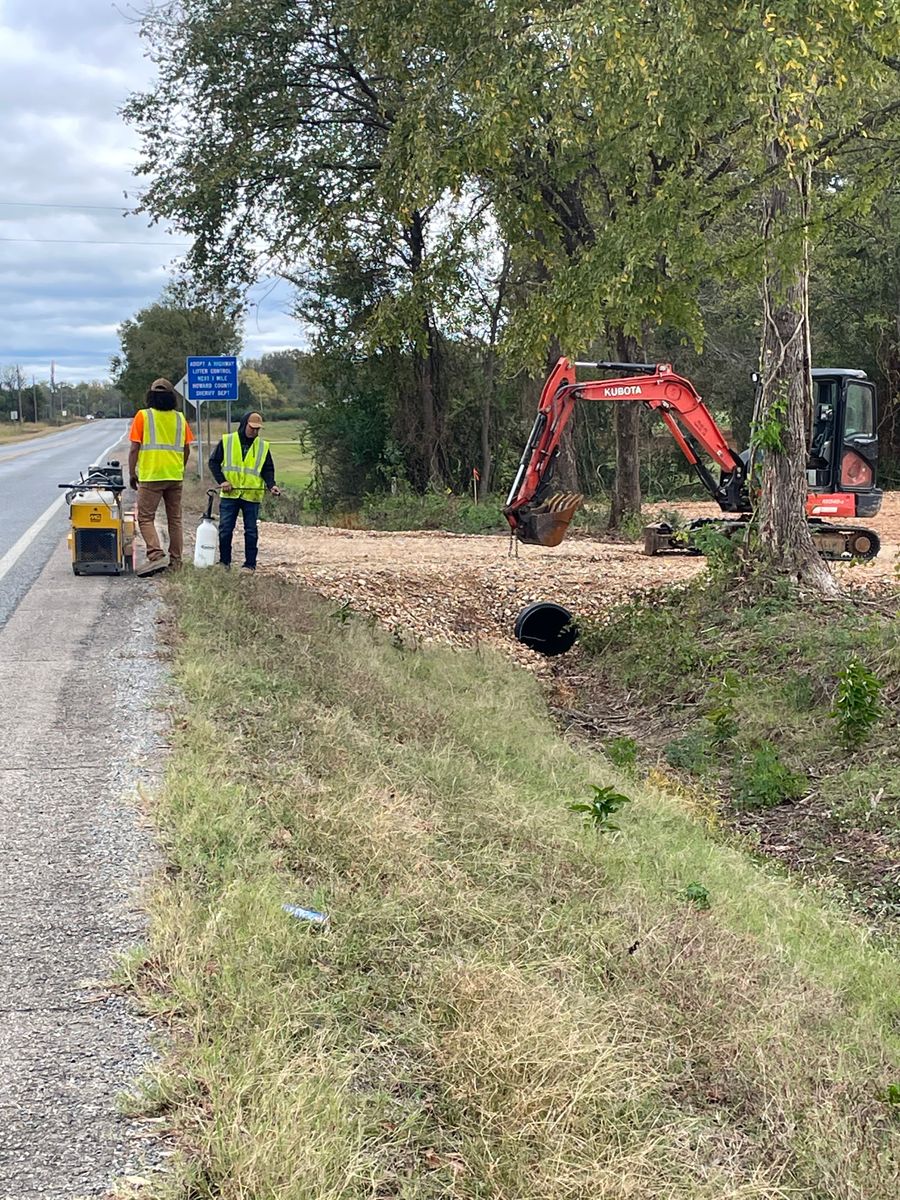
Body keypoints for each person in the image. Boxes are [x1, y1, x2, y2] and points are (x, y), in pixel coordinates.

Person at [128, 378, 194, 576]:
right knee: (175, 519)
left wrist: (132, 473)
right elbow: (187, 449)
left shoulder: (143, 416)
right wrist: (178, 467)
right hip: (174, 476)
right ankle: (176, 562)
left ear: (151, 396)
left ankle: (156, 555)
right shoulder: (180, 418)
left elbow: (134, 448)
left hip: (151, 476)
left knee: (146, 517)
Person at [208, 411, 280, 570]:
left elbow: (267, 469)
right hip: (230, 494)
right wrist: (222, 481)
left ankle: (250, 565)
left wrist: (271, 485)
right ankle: (224, 562)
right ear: (244, 424)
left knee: (251, 531)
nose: (254, 432)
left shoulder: (262, 446)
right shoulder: (228, 441)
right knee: (225, 529)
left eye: (257, 429)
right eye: (252, 428)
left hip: (251, 495)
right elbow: (213, 462)